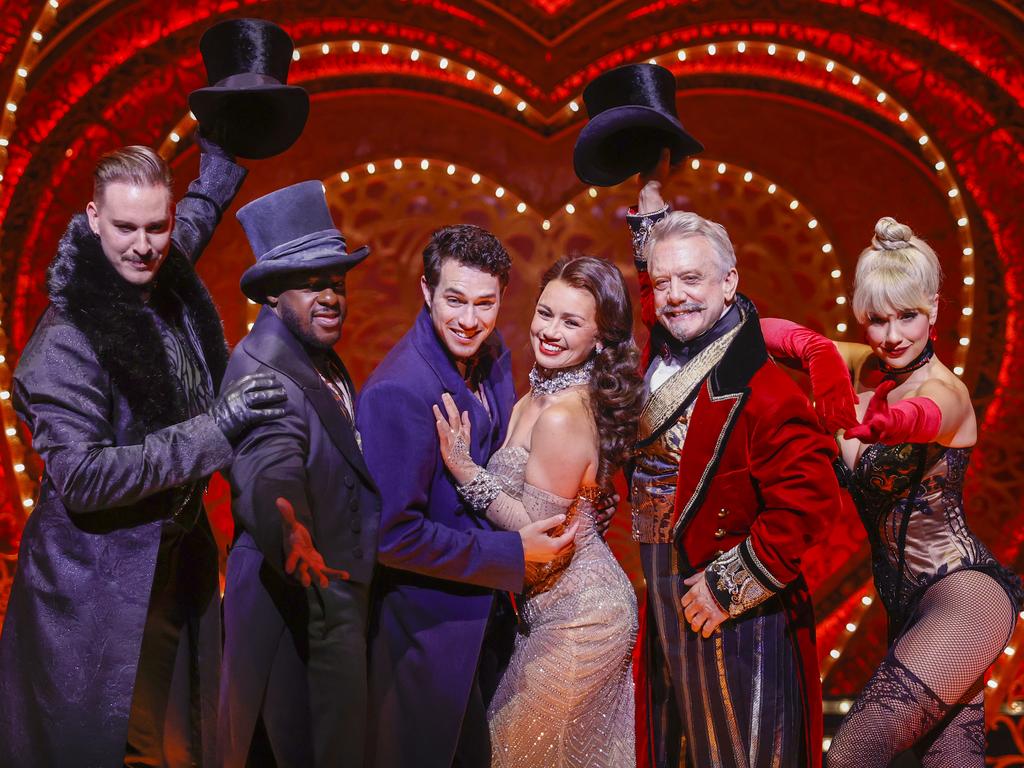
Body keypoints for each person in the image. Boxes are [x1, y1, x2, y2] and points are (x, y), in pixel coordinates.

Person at [0, 141, 287, 767]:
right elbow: (82, 476)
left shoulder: (157, 263)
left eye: (156, 226)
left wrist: (222, 162)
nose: (144, 245)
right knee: (114, 748)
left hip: (168, 558)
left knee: (180, 738)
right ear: (93, 218)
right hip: (93, 585)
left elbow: (191, 223)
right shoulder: (67, 342)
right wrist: (215, 430)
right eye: (126, 227)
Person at [767, 216, 1023, 767]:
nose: (893, 335)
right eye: (877, 320)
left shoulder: (945, 390)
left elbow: (925, 416)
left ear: (934, 308)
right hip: (907, 608)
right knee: (951, 762)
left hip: (965, 596)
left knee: (852, 753)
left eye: (908, 316)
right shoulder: (864, 367)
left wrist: (884, 425)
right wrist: (813, 349)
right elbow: (757, 332)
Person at [627, 175, 844, 768]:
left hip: (735, 617)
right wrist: (650, 215)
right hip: (666, 597)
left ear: (730, 284)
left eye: (691, 279)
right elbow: (656, 307)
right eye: (663, 282)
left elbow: (811, 497)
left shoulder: (764, 388)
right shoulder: (672, 352)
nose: (674, 296)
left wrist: (731, 585)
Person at [358, 224, 579, 768]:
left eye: (485, 303)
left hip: (495, 622)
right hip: (429, 632)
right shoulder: (399, 391)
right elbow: (392, 534)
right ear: (427, 292)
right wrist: (510, 553)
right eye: (454, 300)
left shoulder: (493, 351)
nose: (469, 320)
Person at [433, 254, 643, 766]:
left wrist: (466, 472)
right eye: (545, 312)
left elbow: (538, 535)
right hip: (545, 612)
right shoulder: (538, 391)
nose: (550, 331)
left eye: (571, 322)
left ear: (600, 338)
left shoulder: (563, 414)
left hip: (583, 619)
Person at [217, 180, 380, 767]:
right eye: (312, 285)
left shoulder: (313, 354)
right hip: (290, 608)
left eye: (336, 283)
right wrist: (289, 528)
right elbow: (268, 461)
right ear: (272, 295)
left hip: (325, 600)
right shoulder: (260, 370)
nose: (331, 296)